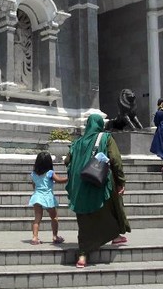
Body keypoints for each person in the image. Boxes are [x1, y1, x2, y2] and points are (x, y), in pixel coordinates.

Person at [65, 114, 131, 268]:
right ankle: (113, 234)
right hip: (98, 183)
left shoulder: (77, 142)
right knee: (107, 207)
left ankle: (83, 256)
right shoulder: (105, 138)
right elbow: (115, 160)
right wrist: (121, 181)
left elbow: (67, 161)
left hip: (79, 186)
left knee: (84, 220)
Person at [28, 151, 67, 245]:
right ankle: (55, 236)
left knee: (37, 218)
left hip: (37, 196)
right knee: (54, 217)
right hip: (48, 197)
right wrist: (69, 178)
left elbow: (34, 185)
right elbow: (59, 180)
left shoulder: (33, 173)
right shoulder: (50, 173)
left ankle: (35, 237)